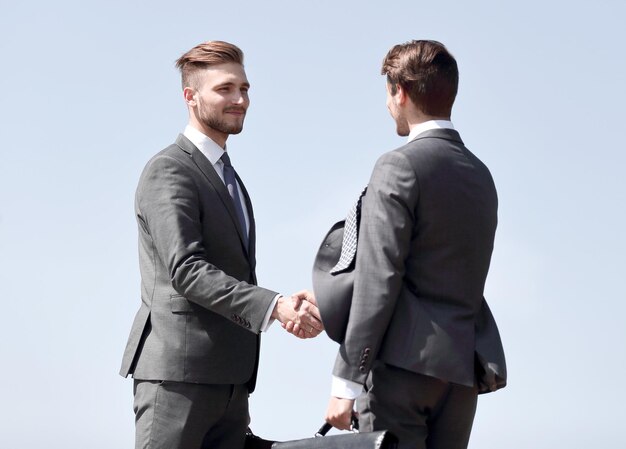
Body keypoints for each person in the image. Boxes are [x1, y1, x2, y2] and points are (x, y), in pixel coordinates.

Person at [119, 40, 324, 449]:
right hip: (178, 380)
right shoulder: (169, 169)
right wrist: (275, 306)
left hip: (231, 384)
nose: (240, 99)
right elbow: (186, 270)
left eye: (244, 89)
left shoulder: (231, 180)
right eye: (225, 89)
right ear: (190, 98)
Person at [318, 40, 507, 449]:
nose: (388, 105)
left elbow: (380, 277)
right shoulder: (481, 175)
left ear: (399, 92)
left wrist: (346, 380)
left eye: (388, 94)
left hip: (401, 371)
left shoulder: (398, 164)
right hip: (460, 378)